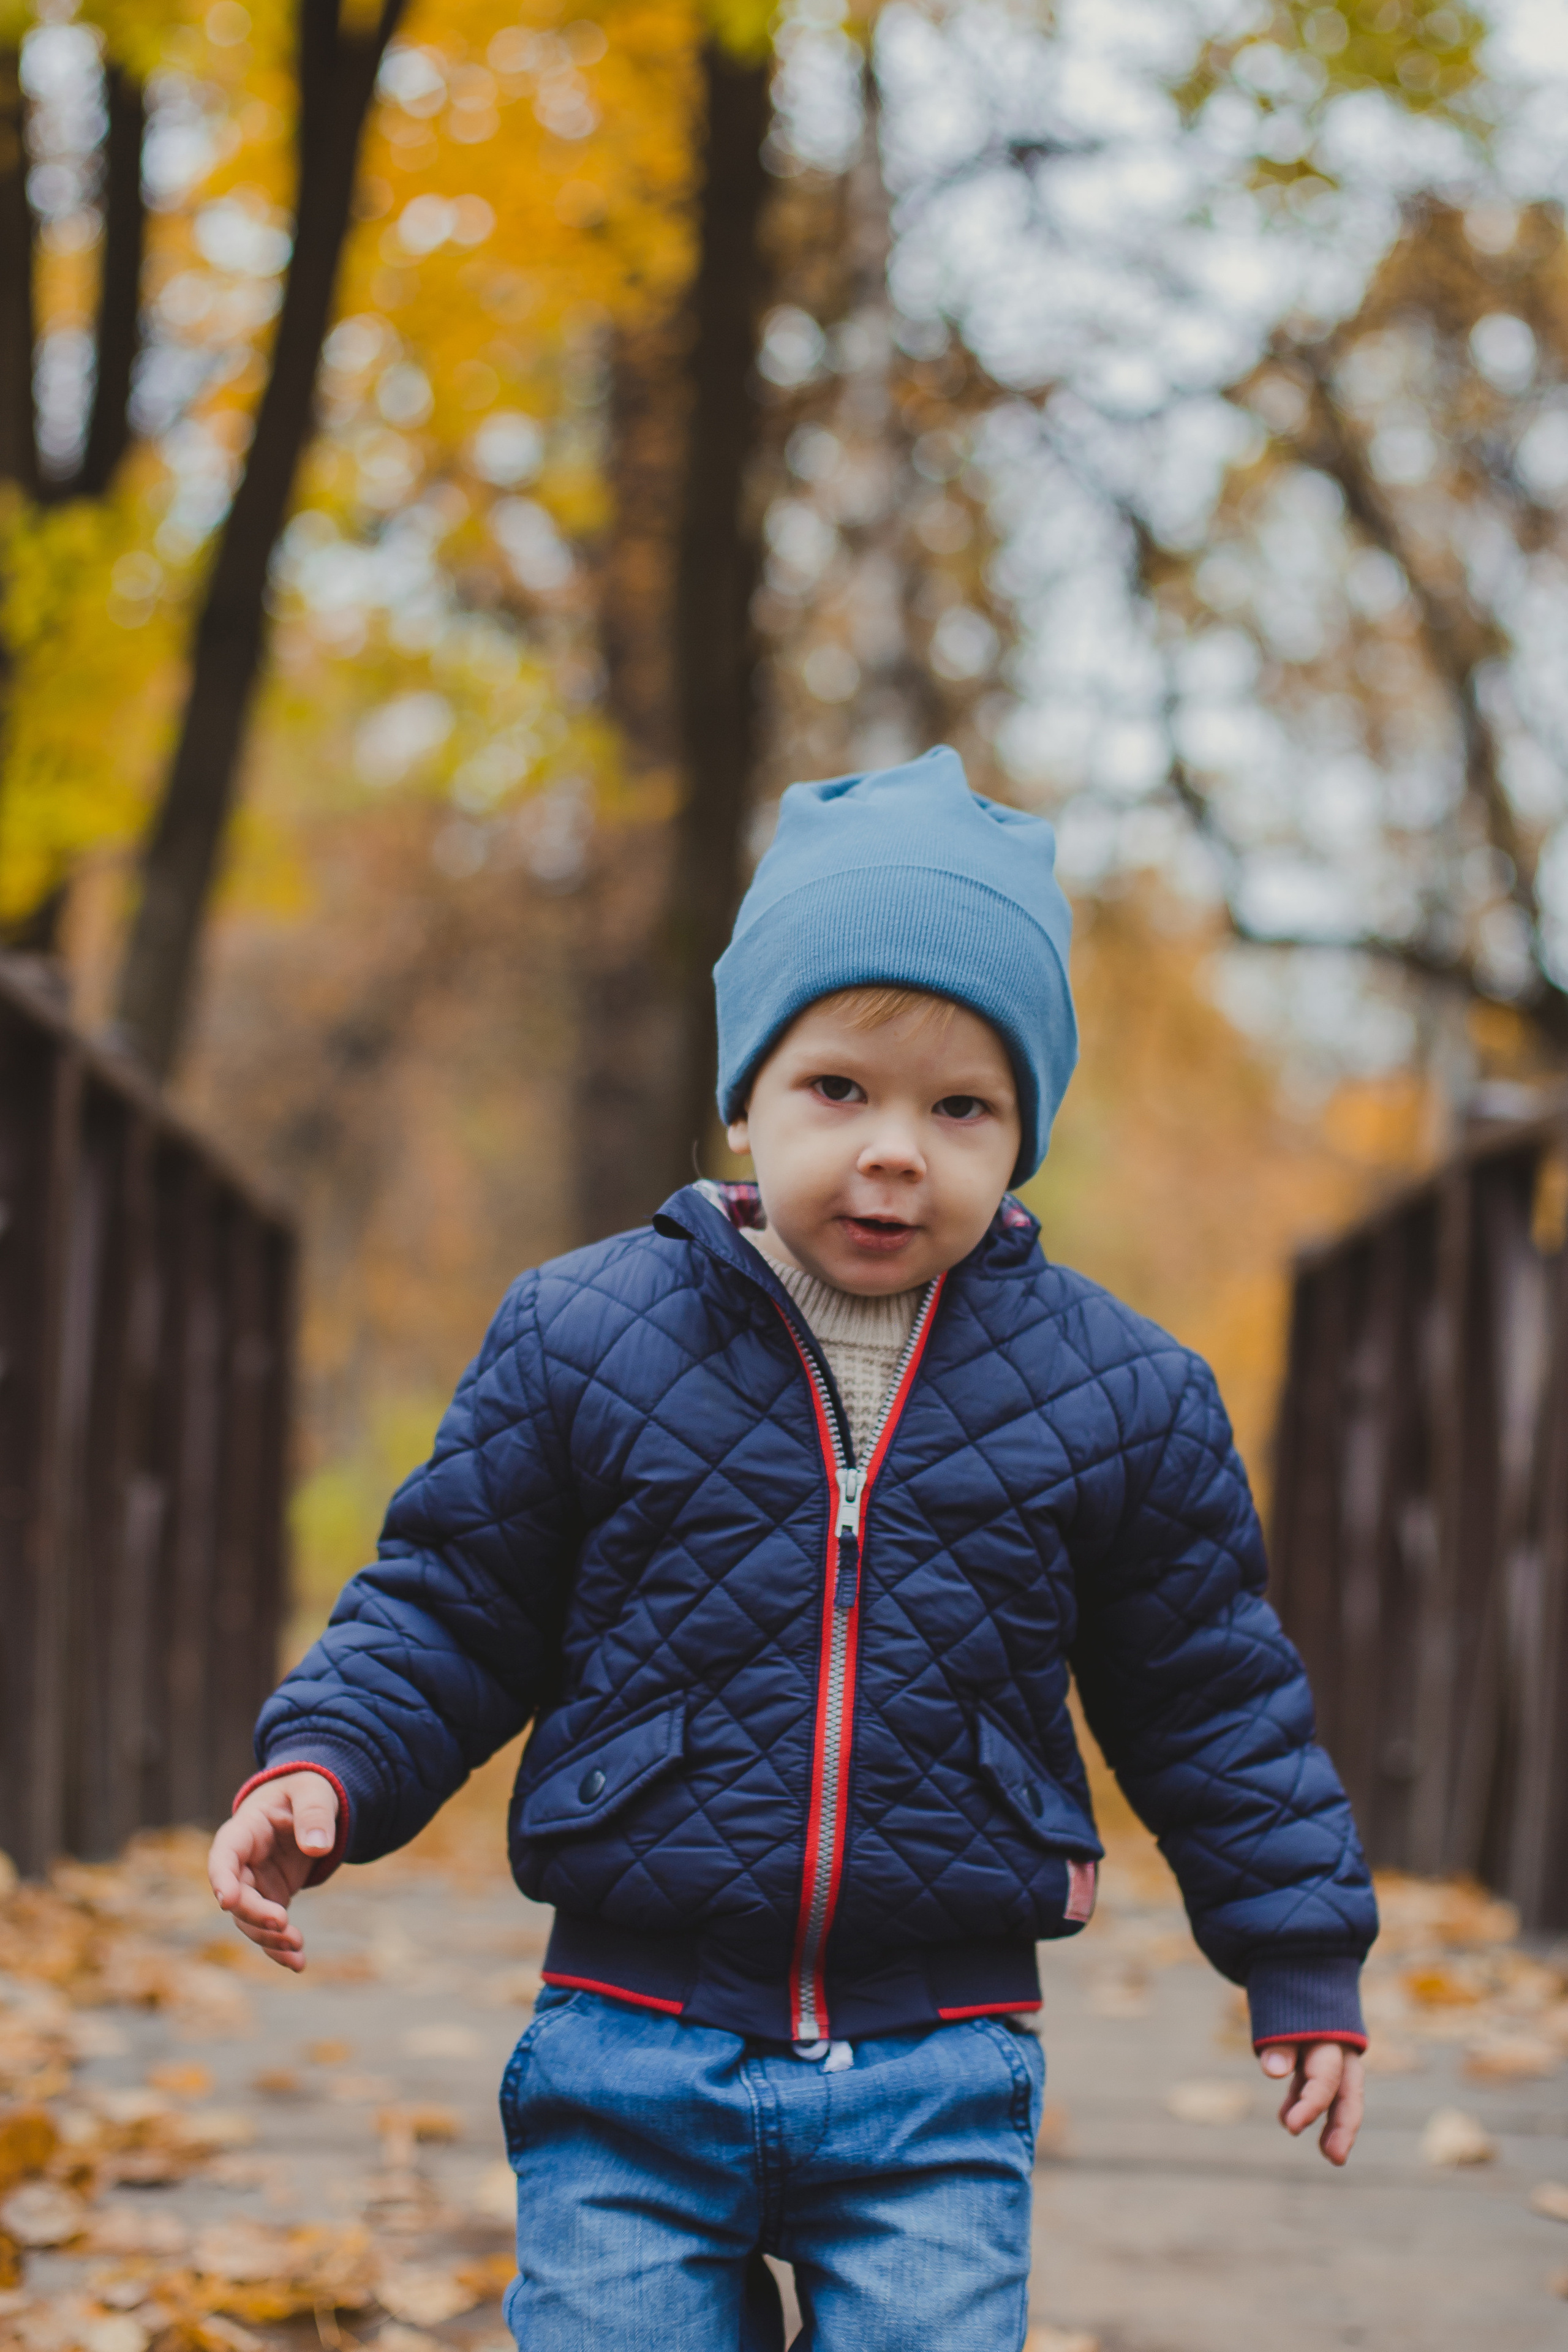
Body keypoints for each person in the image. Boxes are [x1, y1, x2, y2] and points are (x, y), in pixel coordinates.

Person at [208, 745, 1376, 2352]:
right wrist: (328, 1762)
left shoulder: (1122, 1397)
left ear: (1020, 1133)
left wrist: (1299, 1954)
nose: (897, 1149)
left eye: (961, 1107)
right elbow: (457, 1599)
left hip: (938, 2070)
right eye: (842, 1090)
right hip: (626, 2040)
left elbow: (1214, 1698)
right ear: (745, 1092)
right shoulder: (585, 1335)